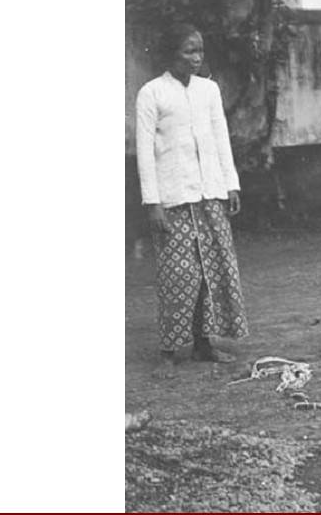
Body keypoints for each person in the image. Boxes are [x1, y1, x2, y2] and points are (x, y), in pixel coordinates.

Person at [135, 23, 248, 377]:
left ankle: (204, 344)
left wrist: (230, 184)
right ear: (172, 54)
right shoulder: (152, 93)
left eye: (199, 50)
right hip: (174, 200)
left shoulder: (208, 90)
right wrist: (152, 202)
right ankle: (169, 352)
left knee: (211, 272)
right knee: (179, 276)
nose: (196, 57)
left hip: (209, 194)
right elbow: (144, 152)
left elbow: (220, 138)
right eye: (188, 51)